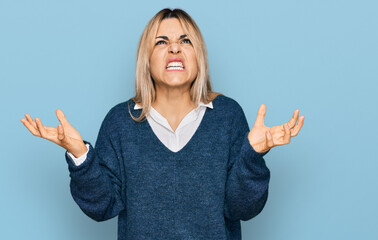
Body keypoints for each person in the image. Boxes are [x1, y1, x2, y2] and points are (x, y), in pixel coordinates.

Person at [21, 8, 304, 240]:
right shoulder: (120, 122)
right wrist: (80, 155)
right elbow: (103, 206)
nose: (174, 49)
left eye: (185, 41)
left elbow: (242, 207)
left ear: (198, 56)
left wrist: (252, 156)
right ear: (147, 60)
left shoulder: (228, 116)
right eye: (161, 42)